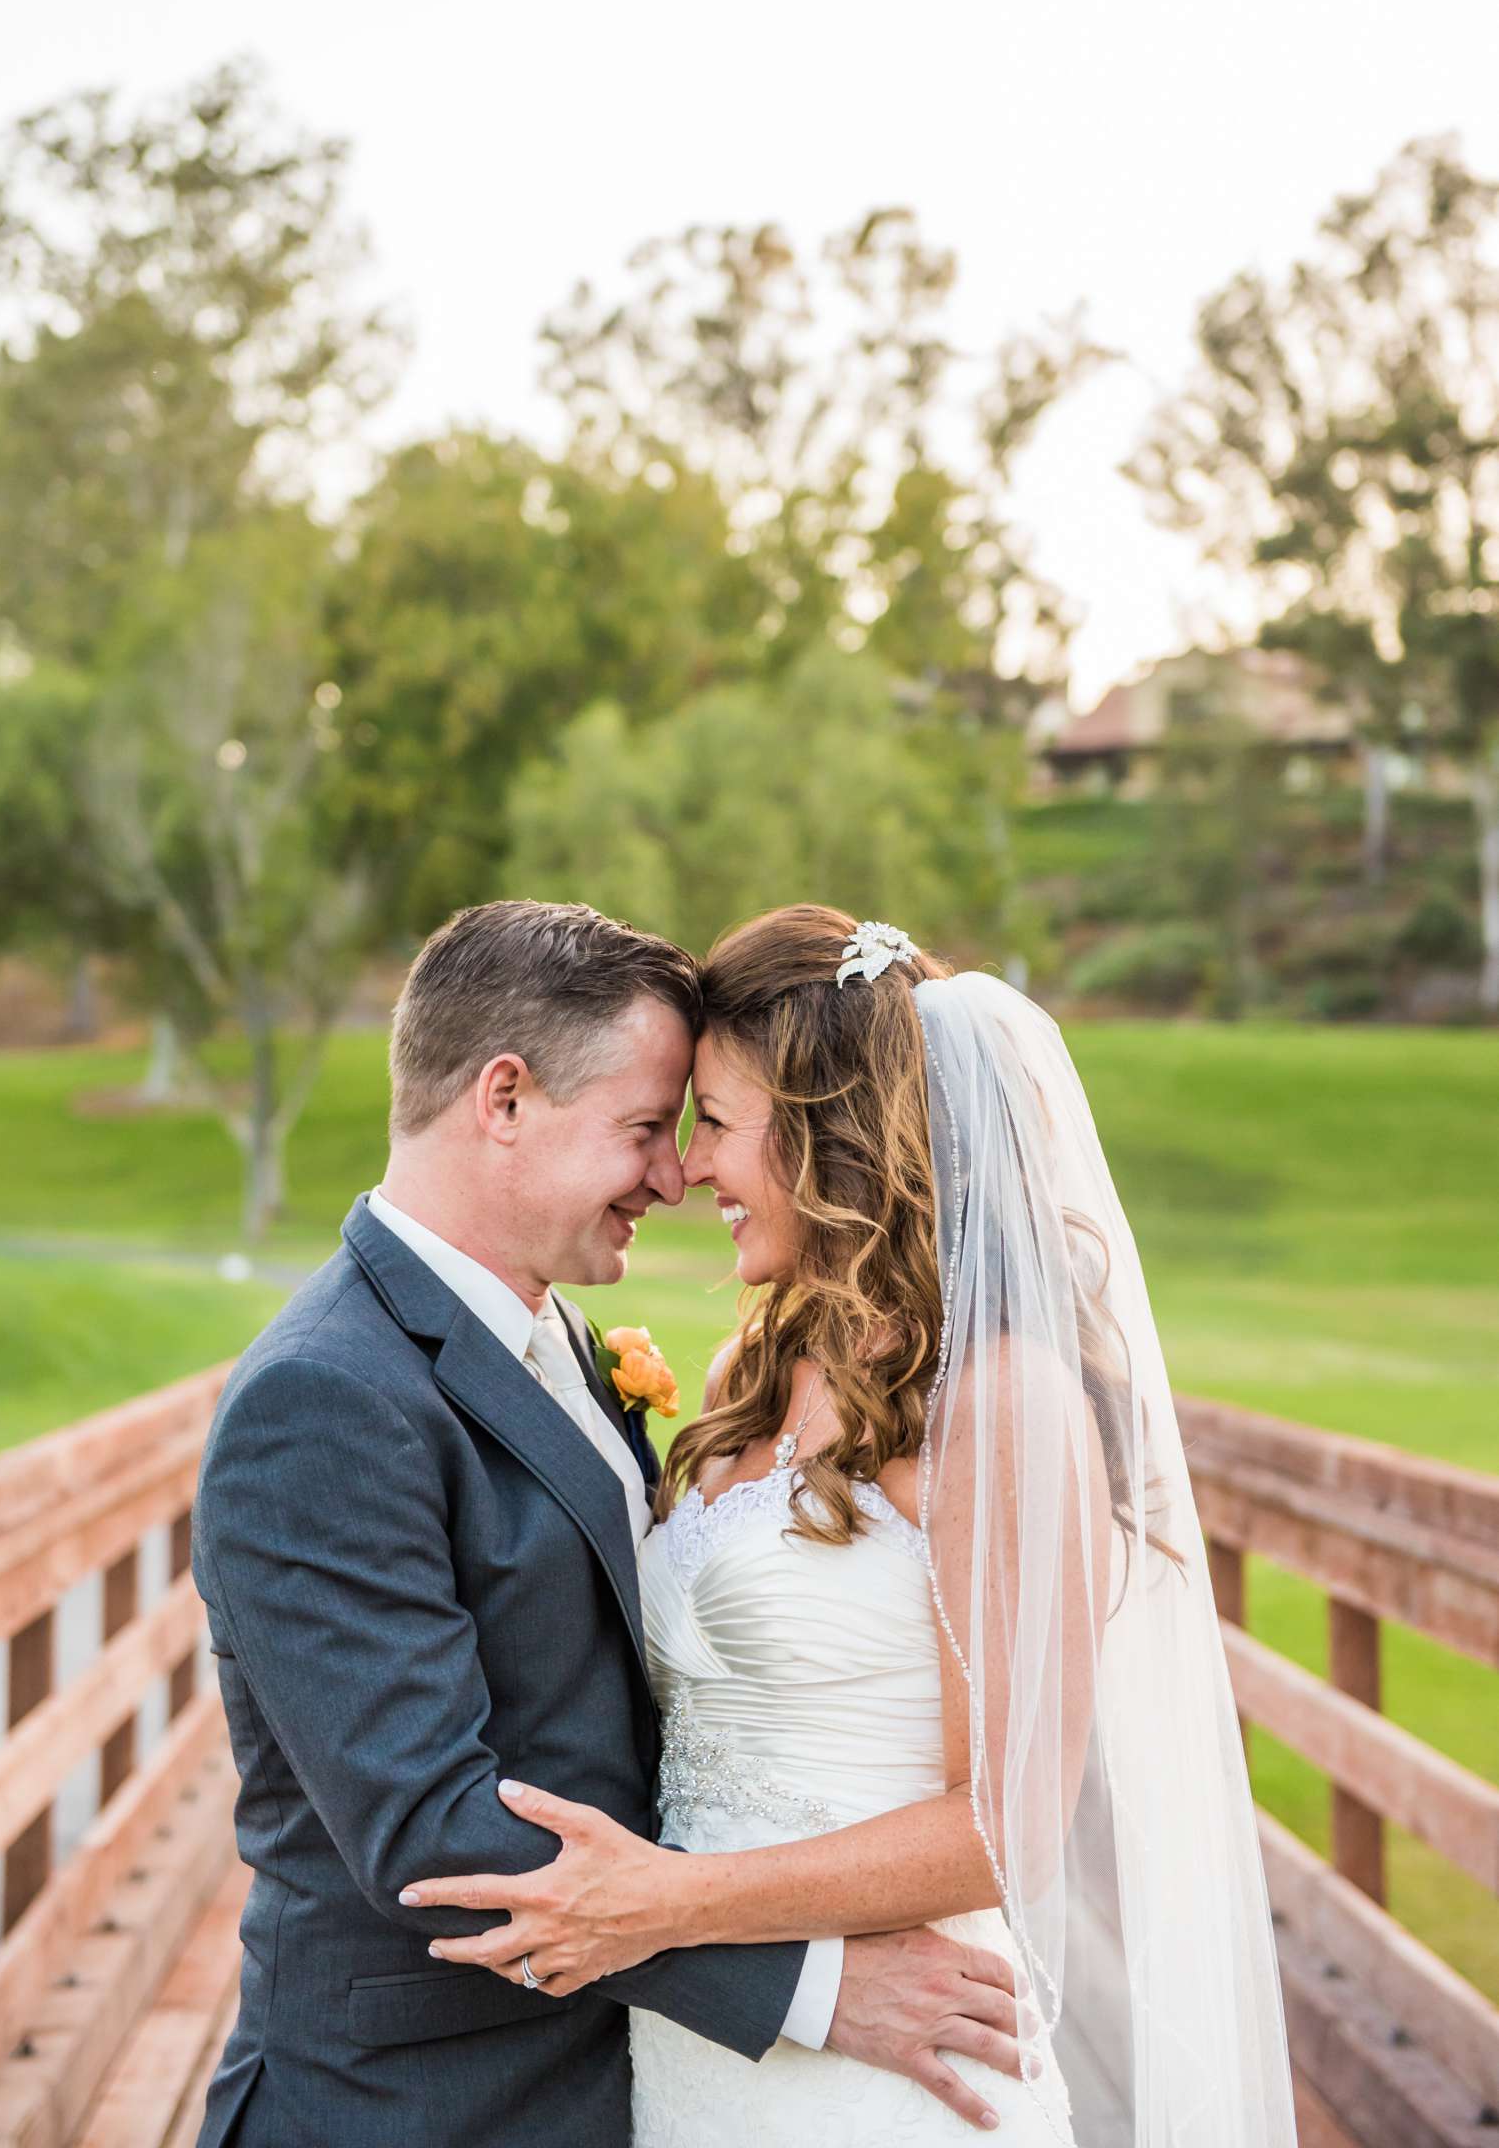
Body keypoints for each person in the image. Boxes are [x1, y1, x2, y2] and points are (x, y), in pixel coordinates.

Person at [406, 904, 1299, 2147]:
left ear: (829, 1132)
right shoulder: (747, 1376)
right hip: (698, 2053)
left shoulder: (1000, 1401)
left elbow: (1004, 1821)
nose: (689, 1170)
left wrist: (669, 1904)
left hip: (894, 2063)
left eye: (715, 1123)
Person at [192, 900, 1022, 2148]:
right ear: (505, 1099)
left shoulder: (557, 1337)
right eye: (645, 1128)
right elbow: (430, 1833)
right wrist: (811, 1987)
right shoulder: (323, 1400)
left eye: (692, 1130)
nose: (674, 1175)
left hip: (623, 2068)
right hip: (419, 2104)